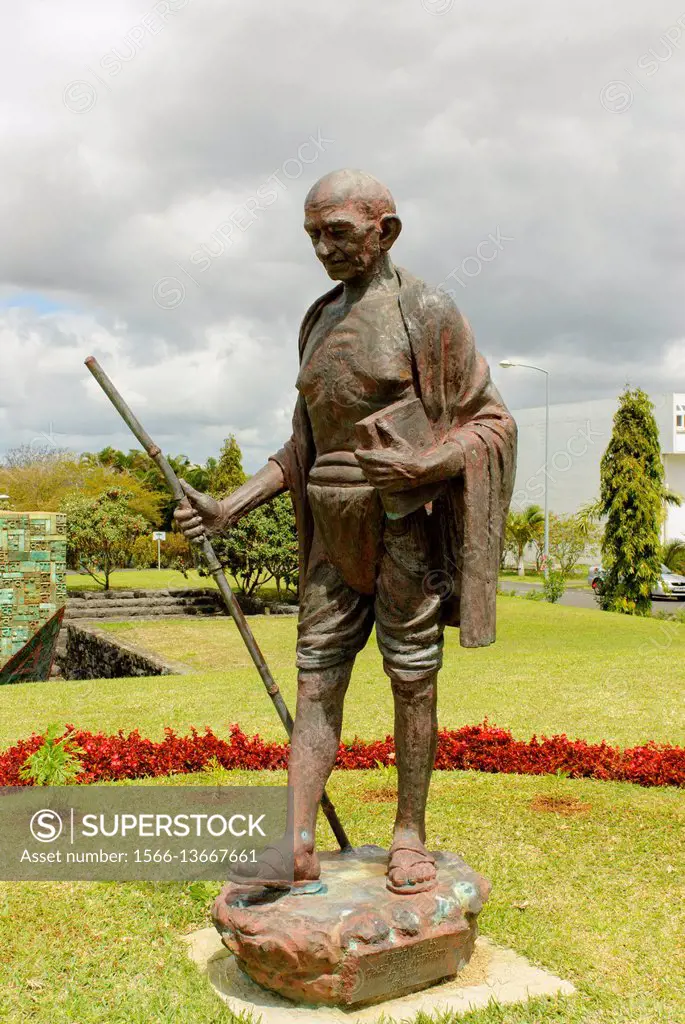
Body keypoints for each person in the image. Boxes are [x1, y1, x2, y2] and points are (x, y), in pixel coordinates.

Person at [175, 169, 517, 894]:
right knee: (315, 679)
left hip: (404, 529)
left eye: (338, 232)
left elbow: (491, 422)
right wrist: (228, 505)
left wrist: (425, 463)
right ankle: (297, 839)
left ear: (384, 231)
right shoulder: (318, 319)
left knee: (411, 677)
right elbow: (305, 445)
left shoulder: (425, 310)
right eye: (312, 235)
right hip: (331, 532)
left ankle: (408, 834)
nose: (323, 248)